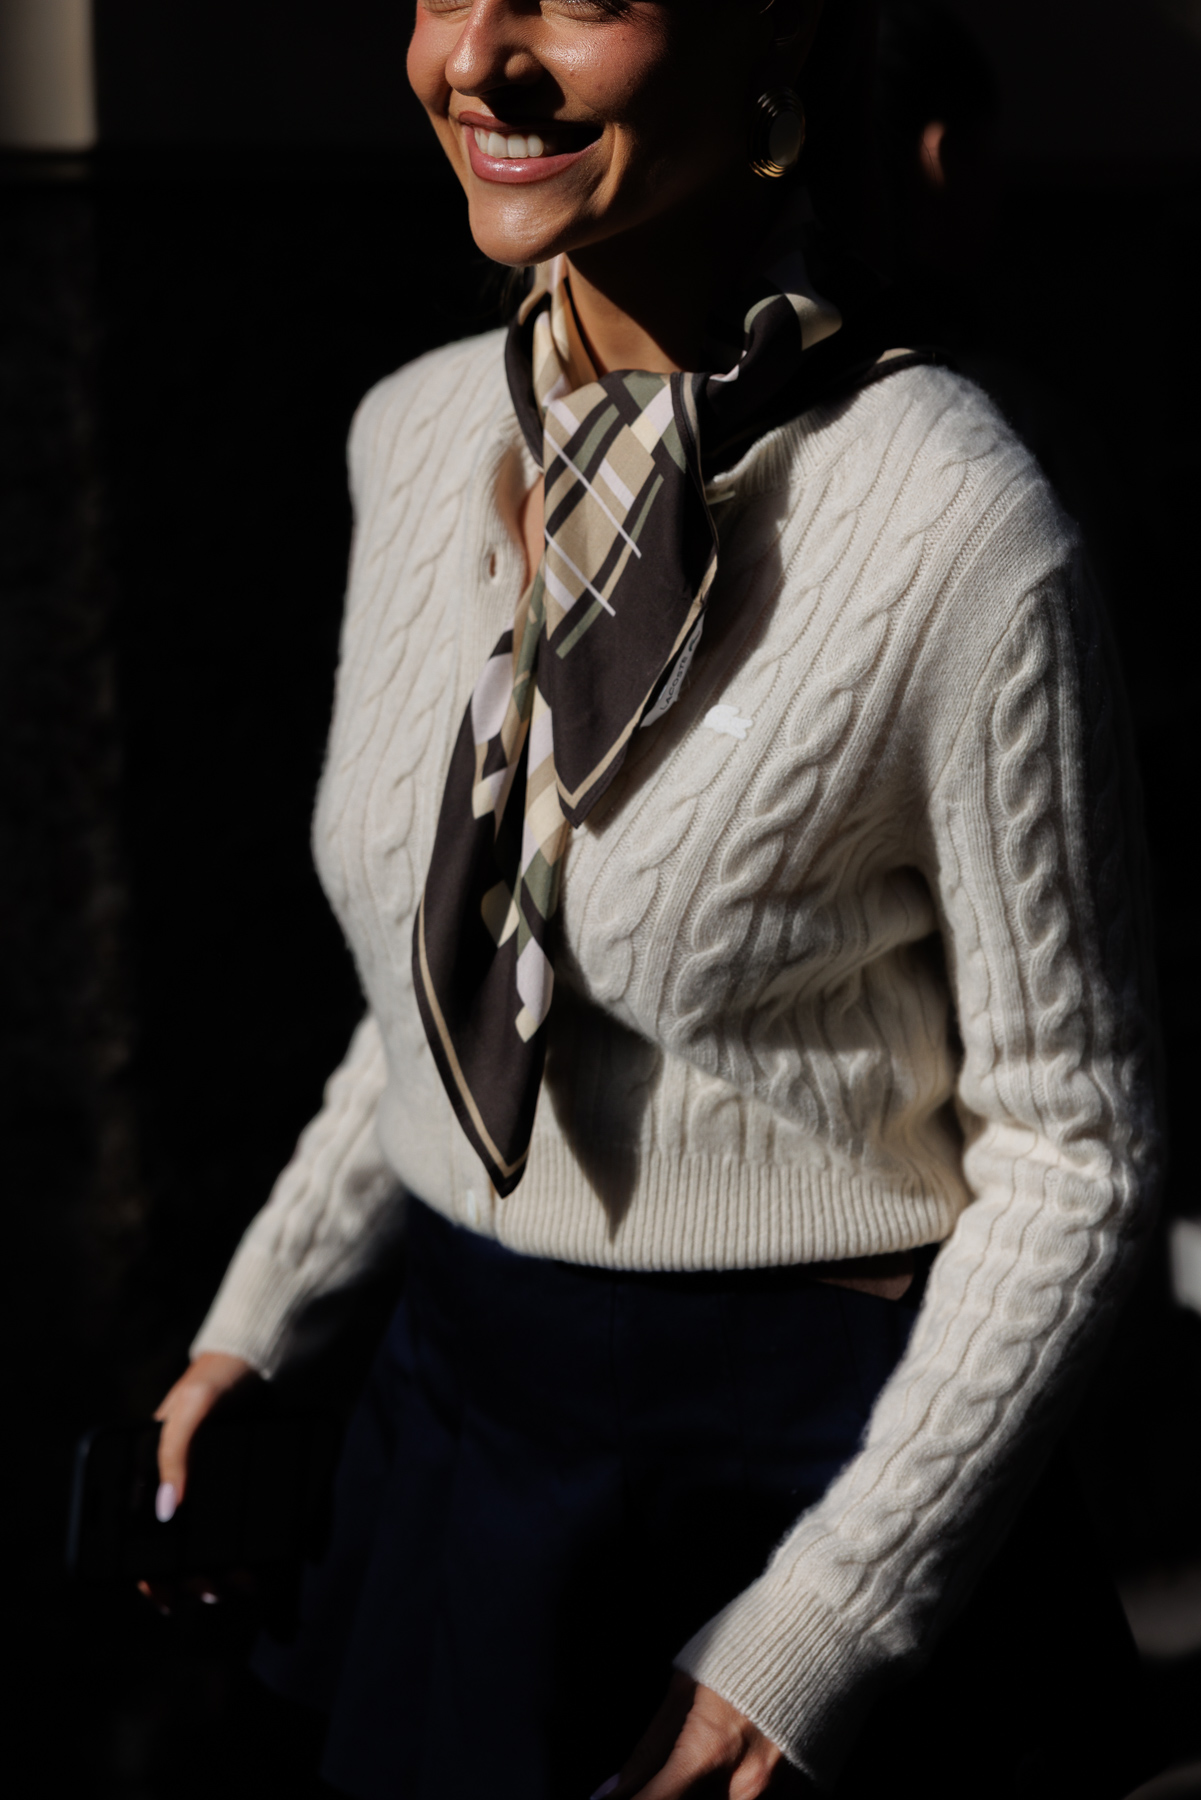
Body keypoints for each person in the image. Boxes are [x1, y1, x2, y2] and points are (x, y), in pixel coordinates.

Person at [147, 3, 1161, 1796]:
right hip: (451, 1421)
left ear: (766, 35)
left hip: (797, 1469)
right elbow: (452, 977)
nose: (478, 56)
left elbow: (1075, 1153)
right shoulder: (412, 438)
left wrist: (823, 1623)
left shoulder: (955, 523)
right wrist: (262, 1319)